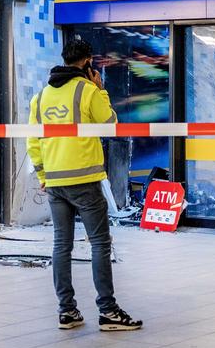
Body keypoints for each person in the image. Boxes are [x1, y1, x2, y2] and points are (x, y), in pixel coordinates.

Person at [27, 39, 142, 331]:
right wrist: (101, 90)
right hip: (85, 181)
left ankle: (67, 311)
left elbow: (33, 140)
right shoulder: (87, 90)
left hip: (54, 182)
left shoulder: (40, 97)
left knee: (61, 245)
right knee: (100, 244)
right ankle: (108, 311)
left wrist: (43, 175)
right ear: (88, 61)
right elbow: (110, 123)